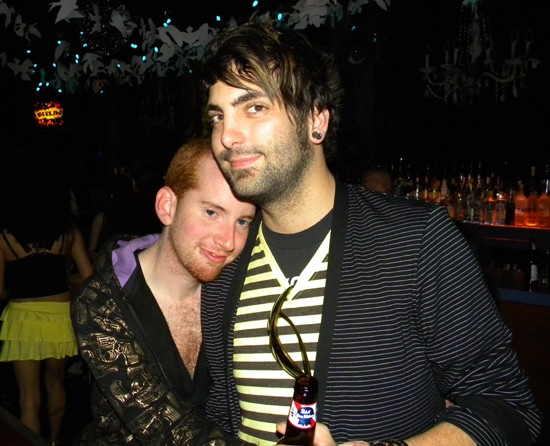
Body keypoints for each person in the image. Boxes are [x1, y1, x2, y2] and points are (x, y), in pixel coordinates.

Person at [200, 22, 542, 446]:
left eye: (253, 107)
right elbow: (220, 412)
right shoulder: (223, 262)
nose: (226, 136)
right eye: (218, 116)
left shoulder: (416, 241)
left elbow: (508, 406)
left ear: (316, 120)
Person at [70, 138, 257, 445]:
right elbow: (163, 426)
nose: (228, 241)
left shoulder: (235, 287)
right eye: (212, 212)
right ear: (167, 206)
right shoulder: (100, 303)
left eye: (242, 221)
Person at [0, 162, 93, 445]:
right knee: (56, 383)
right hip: (59, 315)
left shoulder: (3, 235)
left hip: (22, 317)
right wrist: (66, 281)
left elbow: (0, 291)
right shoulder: (68, 231)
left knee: (28, 397)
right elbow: (88, 277)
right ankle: (54, 441)